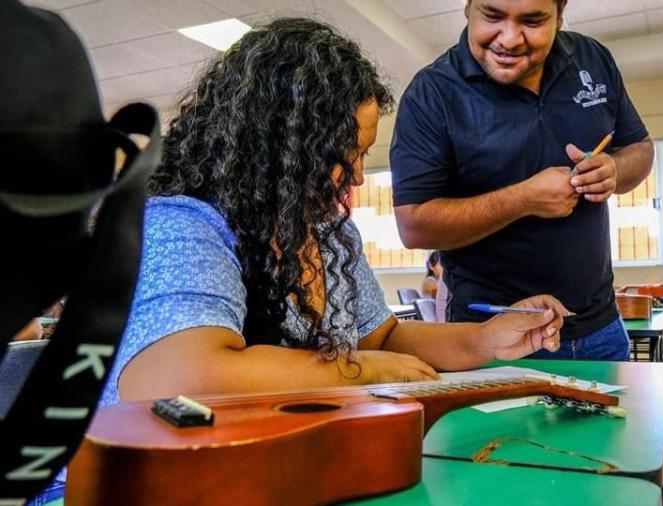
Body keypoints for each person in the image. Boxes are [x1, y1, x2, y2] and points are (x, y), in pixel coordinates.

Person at [103, 17, 569, 406]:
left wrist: (483, 340)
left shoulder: (325, 230)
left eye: (363, 154)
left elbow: (383, 338)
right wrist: (356, 369)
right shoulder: (182, 222)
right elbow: (172, 378)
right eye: (340, 153)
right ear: (275, 147)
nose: (357, 177)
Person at [389, 0, 654, 361]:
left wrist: (615, 171)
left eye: (532, 21)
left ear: (560, 14)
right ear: (468, 7)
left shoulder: (592, 59)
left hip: (601, 327)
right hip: (492, 336)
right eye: (493, 16)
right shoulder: (431, 94)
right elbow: (414, 227)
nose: (510, 39)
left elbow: (639, 147)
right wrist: (524, 199)